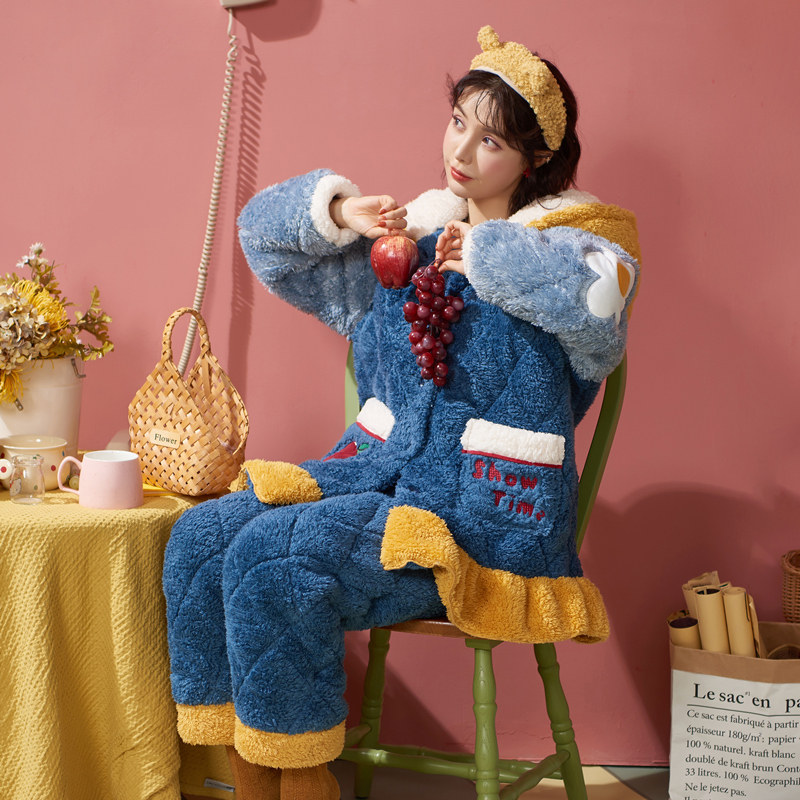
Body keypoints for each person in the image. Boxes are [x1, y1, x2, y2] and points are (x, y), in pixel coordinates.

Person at [163, 25, 640, 800]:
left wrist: (482, 251)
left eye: (492, 141)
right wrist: (339, 211)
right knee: (201, 537)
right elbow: (262, 239)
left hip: (481, 519)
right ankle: (246, 774)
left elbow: (597, 300)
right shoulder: (409, 244)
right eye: (458, 122)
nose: (463, 151)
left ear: (534, 160)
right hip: (373, 480)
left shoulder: (582, 250)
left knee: (276, 558)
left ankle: (305, 785)